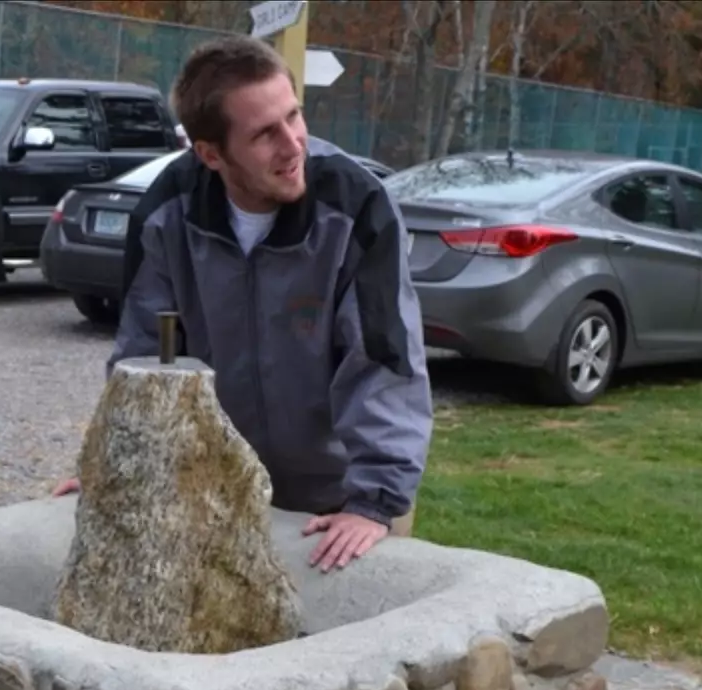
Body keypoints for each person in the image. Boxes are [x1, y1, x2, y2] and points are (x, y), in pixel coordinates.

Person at [50, 34, 433, 570]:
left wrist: (374, 502)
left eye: (294, 116)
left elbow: (383, 359)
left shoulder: (357, 207)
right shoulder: (168, 215)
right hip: (216, 488)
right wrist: (120, 466)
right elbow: (152, 354)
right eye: (265, 134)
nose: (294, 144)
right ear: (211, 154)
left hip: (339, 500)